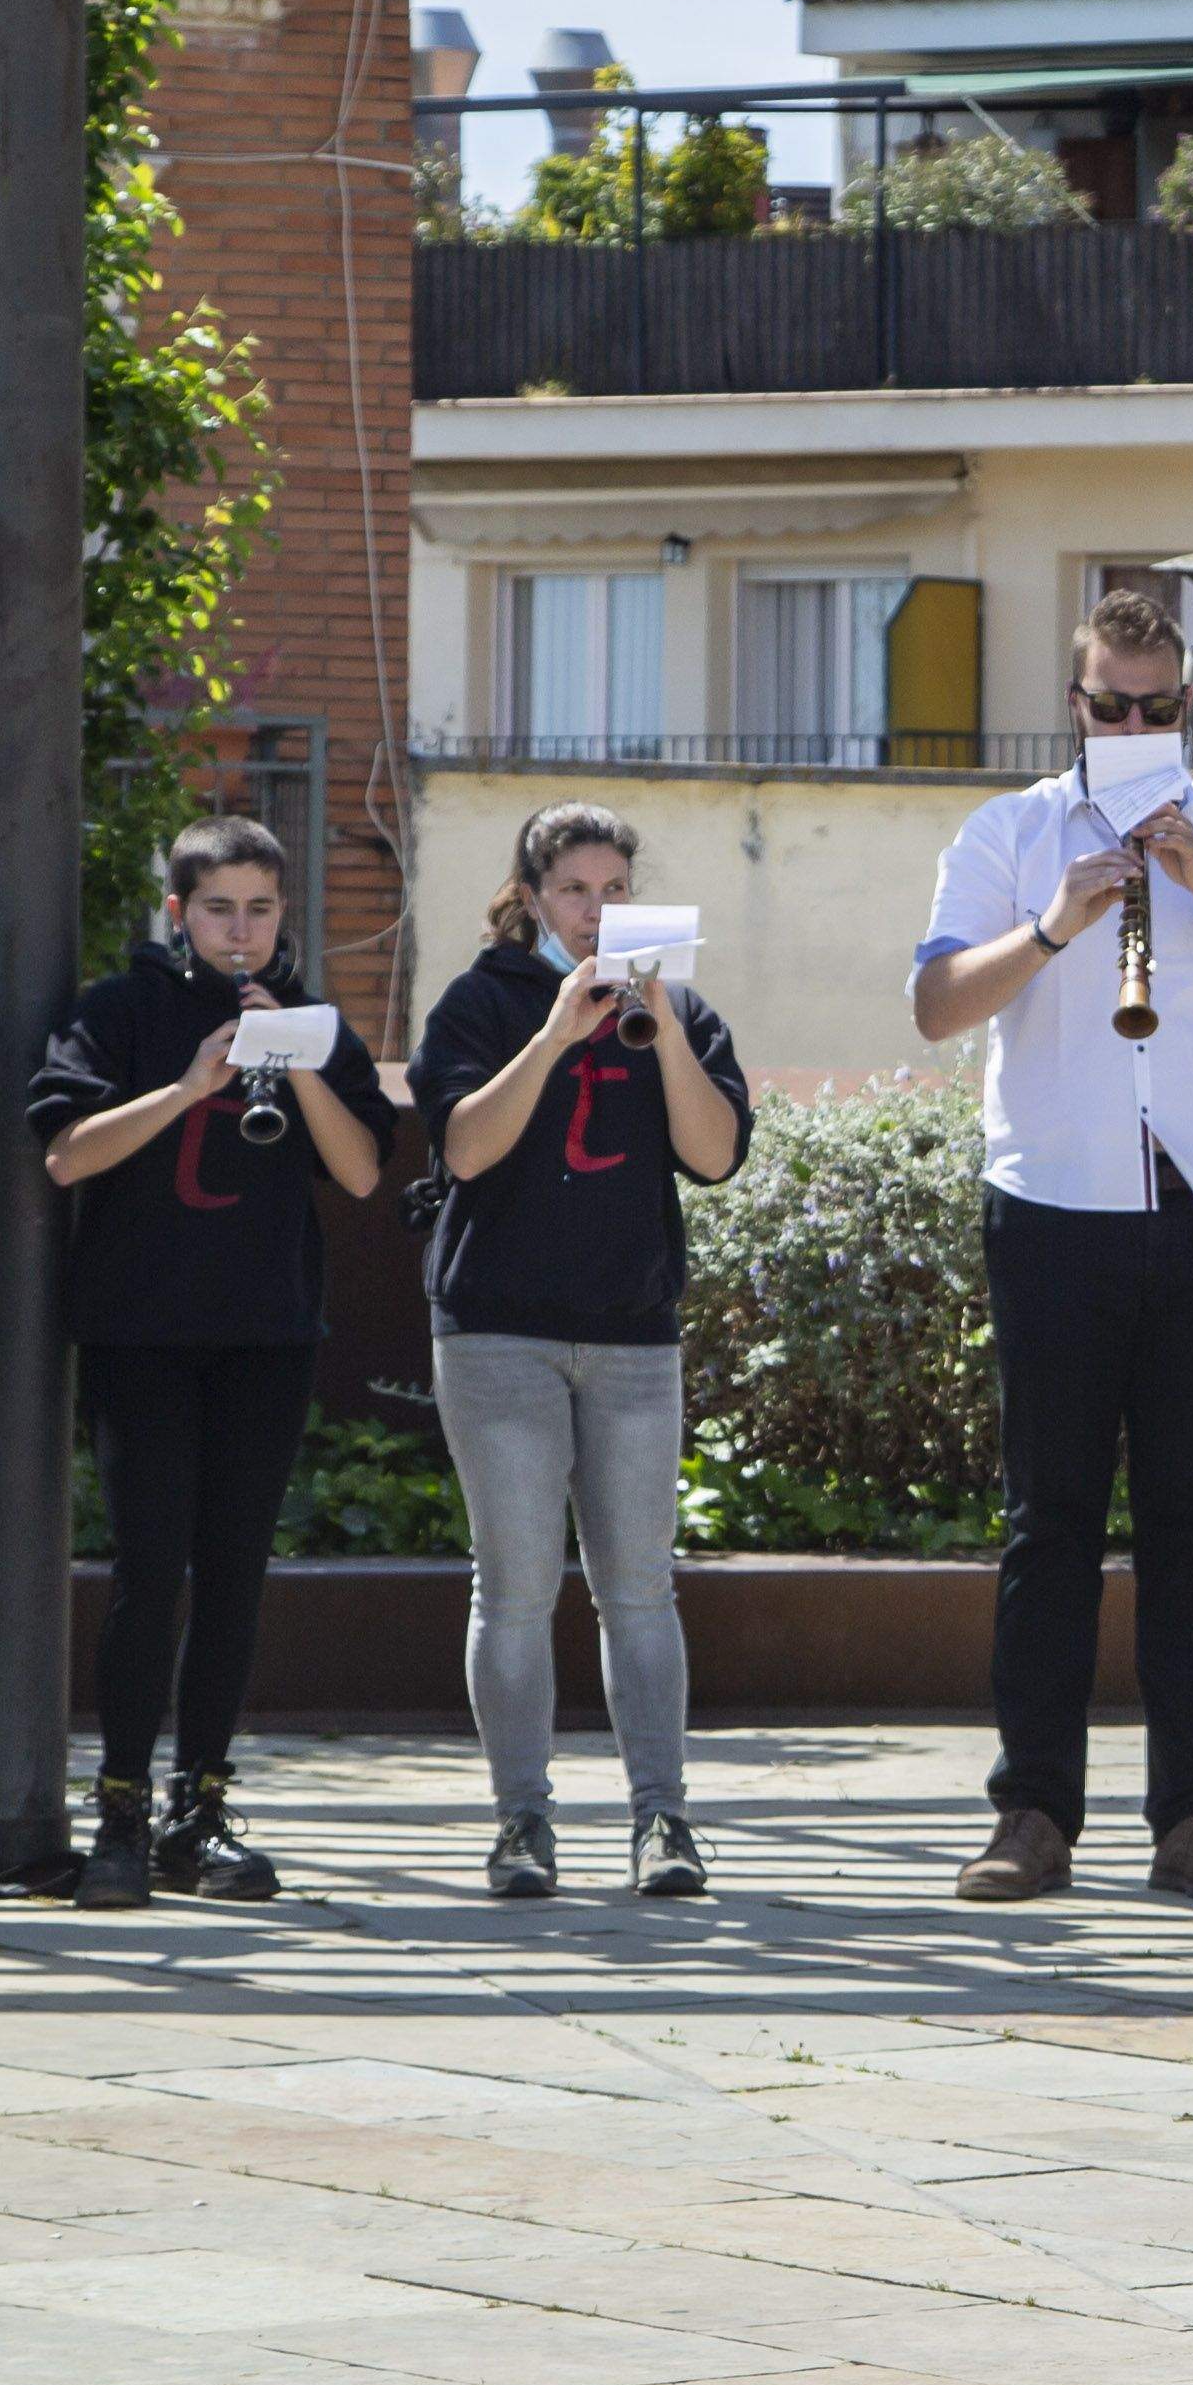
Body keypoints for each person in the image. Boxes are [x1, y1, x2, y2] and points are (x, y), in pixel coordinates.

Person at [912, 576, 1193, 1907]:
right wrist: (1054, 924)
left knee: (1191, 1526)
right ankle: (1031, 1813)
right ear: (1075, 700)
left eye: (1155, 709)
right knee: (1048, 1523)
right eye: (1111, 706)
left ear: (1185, 705)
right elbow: (935, 1004)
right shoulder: (1007, 831)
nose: (1133, 725)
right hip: (1053, 1205)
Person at [21, 815, 390, 1912]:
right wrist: (190, 1083)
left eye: (261, 909)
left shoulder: (313, 1023)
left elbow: (362, 1174)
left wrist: (296, 1062)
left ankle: (201, 1807)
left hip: (265, 1334)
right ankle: (121, 1810)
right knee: (150, 1573)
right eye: (220, 909)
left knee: (234, 1576)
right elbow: (65, 1153)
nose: (242, 931)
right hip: (141, 1333)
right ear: (179, 913)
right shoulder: (118, 1010)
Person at [414, 801, 748, 1905]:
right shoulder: (482, 1000)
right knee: (514, 1587)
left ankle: (663, 1818)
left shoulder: (681, 1008)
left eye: (615, 890)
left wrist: (661, 1020)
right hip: (498, 1330)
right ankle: (522, 1820)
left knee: (640, 1588)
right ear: (532, 898)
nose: (596, 911)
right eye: (573, 890)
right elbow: (465, 1149)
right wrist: (557, 1031)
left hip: (631, 1332)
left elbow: (714, 1156)